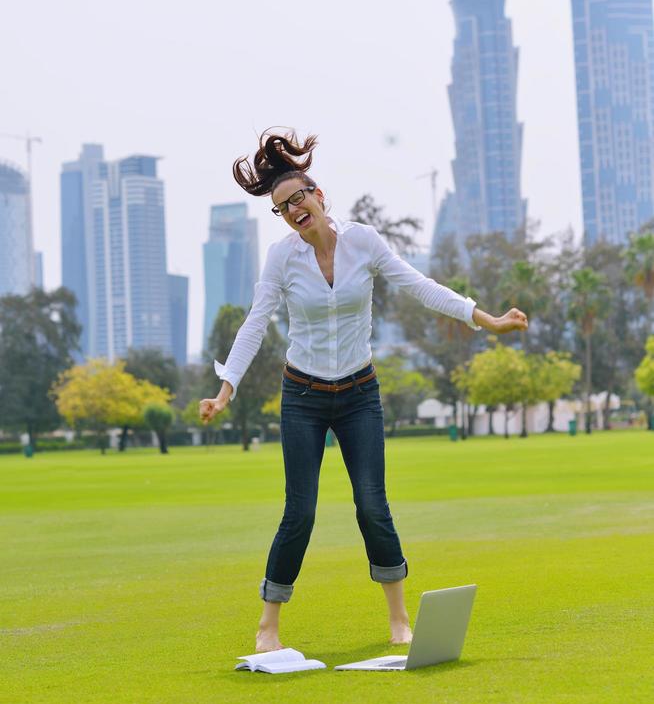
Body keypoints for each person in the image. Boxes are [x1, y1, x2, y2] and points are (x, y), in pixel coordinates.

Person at [200, 129, 528, 652]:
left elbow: (419, 285)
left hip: (359, 393)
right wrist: (225, 390)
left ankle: (399, 621)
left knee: (372, 504)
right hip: (303, 395)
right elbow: (256, 323)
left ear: (318, 195)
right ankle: (268, 625)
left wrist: (484, 319)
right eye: (282, 207)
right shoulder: (281, 259)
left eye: (298, 198)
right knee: (299, 510)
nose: (293, 209)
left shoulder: (364, 242)